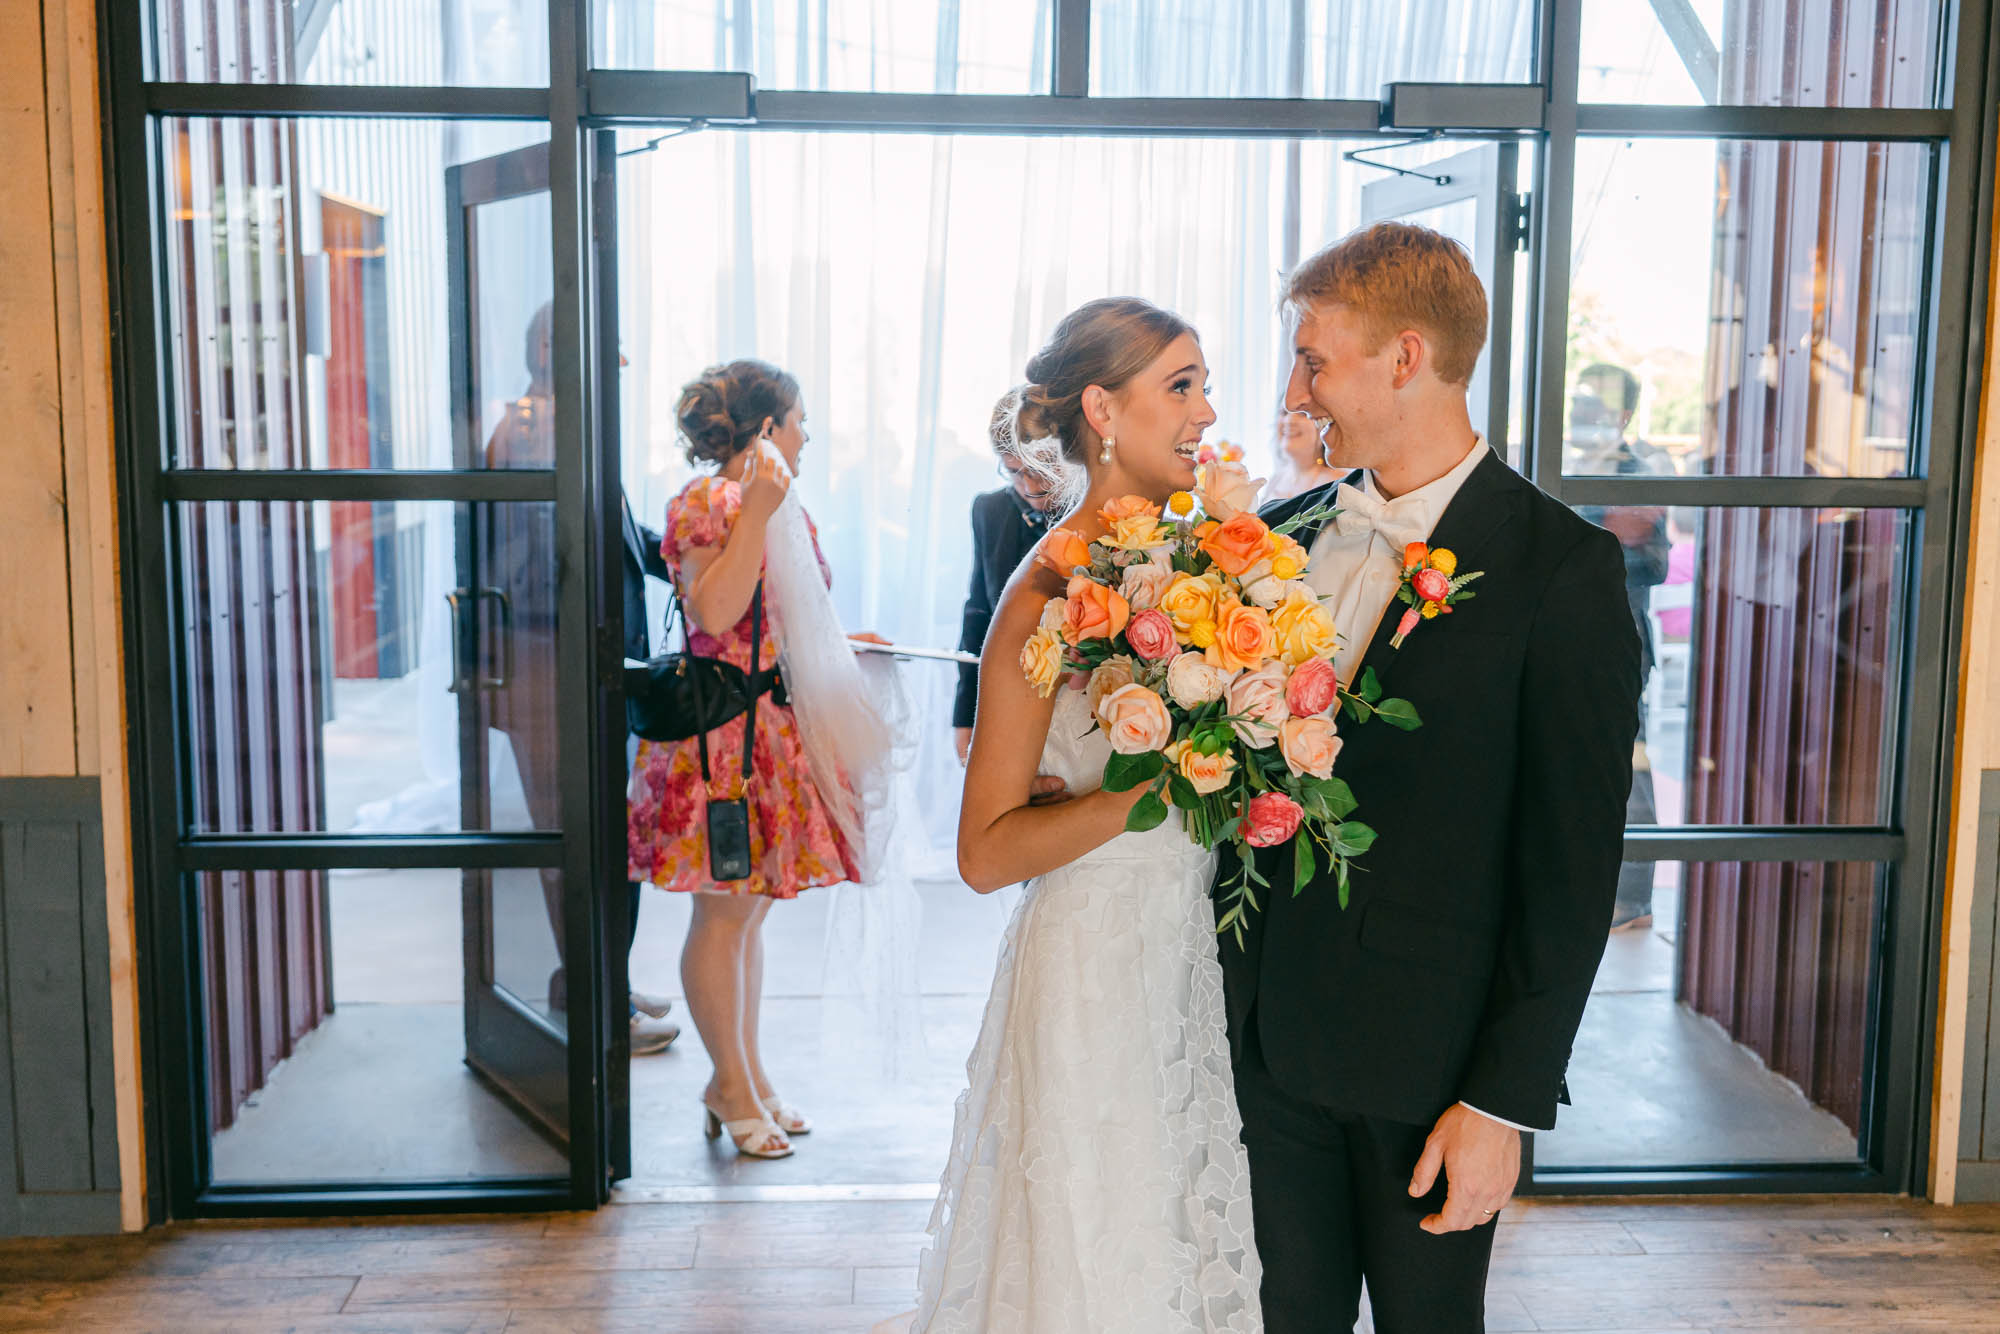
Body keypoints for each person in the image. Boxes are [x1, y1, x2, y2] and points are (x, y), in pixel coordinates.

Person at [1237, 222, 1641, 1333]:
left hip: (1431, 1068)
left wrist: (1500, 1100)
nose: (1296, 385)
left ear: (1402, 357)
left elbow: (1569, 869)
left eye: (1313, 356)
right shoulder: (1281, 539)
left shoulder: (1561, 571)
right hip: (1263, 1045)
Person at [912, 298, 1262, 1331]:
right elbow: (983, 852)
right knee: (1097, 1258)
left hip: (1181, 950)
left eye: (1203, 384)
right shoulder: (1048, 592)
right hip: (1090, 969)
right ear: (1103, 408)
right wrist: (1143, 787)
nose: (1206, 412)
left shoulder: (1194, 563)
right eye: (1181, 385)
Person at [627, 358, 876, 1160]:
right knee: (724, 913)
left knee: (749, 913)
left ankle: (745, 1075)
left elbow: (783, 619)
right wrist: (760, 509)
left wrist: (844, 645)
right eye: (799, 421)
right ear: (766, 429)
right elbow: (715, 613)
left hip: (772, 727)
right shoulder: (708, 502)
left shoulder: (776, 502)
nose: (808, 437)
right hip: (723, 743)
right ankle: (729, 1085)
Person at [484, 302, 676, 1053]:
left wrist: (692, 552)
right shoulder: (533, 431)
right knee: (583, 846)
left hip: (580, 673)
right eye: (612, 346)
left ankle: (599, 984)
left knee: (600, 840)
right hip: (550, 676)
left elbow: (616, 539)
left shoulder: (570, 423)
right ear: (550, 348)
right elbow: (540, 568)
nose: (623, 363)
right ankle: (600, 1011)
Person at [1570, 364, 1671, 932]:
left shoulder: (1641, 472)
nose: (1583, 412)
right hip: (1566, 641)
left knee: (1628, 766)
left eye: (1596, 405)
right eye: (1581, 402)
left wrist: (1604, 542)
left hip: (1620, 641)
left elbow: (1655, 564)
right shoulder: (1557, 464)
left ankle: (1633, 899)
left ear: (1623, 415)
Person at [951, 386, 1055, 764]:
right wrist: (964, 714)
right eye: (1014, 473)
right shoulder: (989, 511)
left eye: (1041, 470)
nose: (1030, 487)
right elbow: (977, 611)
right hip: (1009, 698)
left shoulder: (1090, 512)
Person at [1265, 404, 1339, 501]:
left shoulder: (1336, 484)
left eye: (1302, 413)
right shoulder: (1276, 479)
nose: (1289, 420)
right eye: (1284, 413)